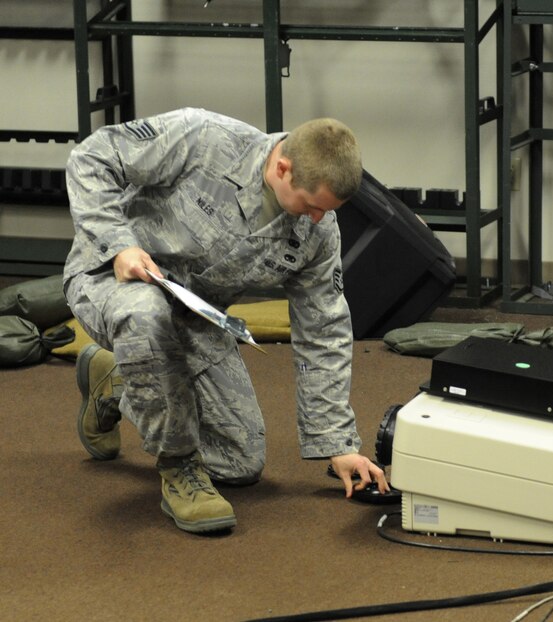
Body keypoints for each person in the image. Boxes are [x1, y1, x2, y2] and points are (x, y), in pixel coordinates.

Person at [64, 107, 389, 534]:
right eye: (310, 205)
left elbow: (323, 331)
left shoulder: (319, 230)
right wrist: (118, 244)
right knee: (145, 315)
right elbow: (91, 158)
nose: (315, 219)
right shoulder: (204, 138)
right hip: (112, 277)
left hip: (194, 315)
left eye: (325, 211)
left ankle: (117, 382)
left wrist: (338, 443)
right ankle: (179, 470)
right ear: (283, 166)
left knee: (240, 461)